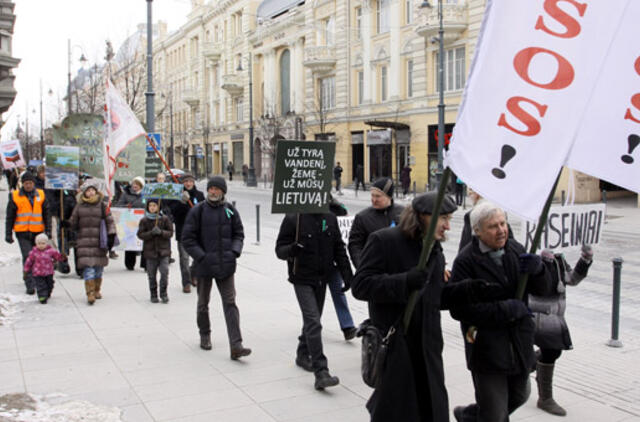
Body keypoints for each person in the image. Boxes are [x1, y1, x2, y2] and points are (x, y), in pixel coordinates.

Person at [352, 192, 497, 421]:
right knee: (399, 412)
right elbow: (360, 286)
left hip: (428, 348)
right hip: (397, 346)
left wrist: (467, 289)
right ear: (421, 217)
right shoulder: (384, 240)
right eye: (443, 218)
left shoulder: (434, 250)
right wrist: (404, 281)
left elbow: (433, 297)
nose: (448, 226)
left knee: (432, 409)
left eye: (449, 219)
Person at [449, 201, 552, 422]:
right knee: (495, 413)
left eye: (503, 223)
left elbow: (542, 289)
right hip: (487, 348)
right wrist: (506, 309)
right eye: (493, 226)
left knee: (520, 394)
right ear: (477, 231)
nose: (501, 230)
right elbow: (459, 309)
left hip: (519, 343)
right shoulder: (465, 261)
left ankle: (469, 416)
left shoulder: (516, 249)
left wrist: (539, 270)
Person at [275, 207, 353, 390]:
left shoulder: (330, 218)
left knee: (313, 320)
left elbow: (338, 247)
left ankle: (302, 353)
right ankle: (321, 371)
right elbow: (279, 250)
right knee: (313, 321)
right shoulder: (294, 218)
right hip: (302, 278)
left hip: (322, 277)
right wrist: (291, 250)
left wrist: (347, 273)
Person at [182, 176, 251, 359]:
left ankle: (236, 345)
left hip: (226, 266)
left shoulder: (230, 211)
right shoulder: (198, 211)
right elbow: (187, 239)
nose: (213, 192)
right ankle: (205, 334)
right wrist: (201, 256)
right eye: (210, 188)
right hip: (204, 266)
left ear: (223, 191)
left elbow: (239, 234)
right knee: (203, 303)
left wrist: (234, 252)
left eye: (216, 189)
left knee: (230, 304)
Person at [530, 245, 593, 416]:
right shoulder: (530, 254)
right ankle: (545, 397)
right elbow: (534, 284)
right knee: (550, 351)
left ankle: (531, 365)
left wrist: (585, 260)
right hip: (536, 313)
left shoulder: (558, 257)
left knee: (552, 351)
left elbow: (572, 279)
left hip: (554, 314)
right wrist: (541, 265)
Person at [69, 178, 117, 305]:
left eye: (92, 190)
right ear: (84, 193)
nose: (90, 193)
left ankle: (97, 289)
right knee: (88, 268)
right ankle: (89, 293)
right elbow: (73, 223)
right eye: (88, 191)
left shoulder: (102, 206)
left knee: (98, 268)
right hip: (84, 241)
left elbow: (110, 221)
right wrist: (68, 226)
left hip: (99, 241)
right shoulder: (79, 207)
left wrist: (111, 234)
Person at [5, 171, 51, 294]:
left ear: (34, 183)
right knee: (28, 257)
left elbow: (46, 214)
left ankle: (36, 280)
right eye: (26, 183)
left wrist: (48, 230)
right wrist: (8, 233)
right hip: (22, 232)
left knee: (38, 258)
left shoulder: (41, 195)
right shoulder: (15, 196)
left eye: (30, 183)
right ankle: (29, 284)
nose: (28, 185)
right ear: (22, 184)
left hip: (37, 232)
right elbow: (10, 216)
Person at [348, 177, 403, 269]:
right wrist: (362, 267)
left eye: (378, 196)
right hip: (374, 271)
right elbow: (355, 246)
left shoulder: (403, 213)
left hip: (400, 271)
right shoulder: (362, 217)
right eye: (372, 195)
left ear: (389, 196)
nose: (374, 199)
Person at [168, 173, 204, 293]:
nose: (188, 184)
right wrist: (182, 202)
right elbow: (174, 212)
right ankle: (186, 282)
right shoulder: (177, 195)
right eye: (186, 181)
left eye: (191, 181)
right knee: (184, 258)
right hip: (183, 231)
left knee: (198, 257)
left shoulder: (199, 195)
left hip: (197, 232)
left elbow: (204, 211)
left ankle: (194, 274)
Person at [327, 195, 357, 340]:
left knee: (338, 292)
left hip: (333, 259)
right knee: (313, 299)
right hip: (315, 263)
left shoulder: (337, 209)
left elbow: (345, 218)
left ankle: (347, 326)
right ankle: (310, 326)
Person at [137, 198, 174, 303]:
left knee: (164, 272)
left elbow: (170, 232)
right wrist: (150, 233)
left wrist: (161, 232)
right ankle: (153, 293)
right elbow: (140, 234)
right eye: (150, 206)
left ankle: (164, 293)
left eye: (154, 205)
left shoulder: (165, 219)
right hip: (150, 252)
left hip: (163, 251)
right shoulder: (144, 220)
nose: (152, 208)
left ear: (158, 207)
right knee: (152, 275)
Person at [23, 233, 67, 304]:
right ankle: (42, 296)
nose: (41, 245)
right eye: (39, 243)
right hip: (38, 273)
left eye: (43, 243)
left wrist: (62, 258)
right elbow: (29, 261)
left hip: (48, 272)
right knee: (41, 285)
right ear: (36, 244)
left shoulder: (51, 251)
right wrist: (26, 270)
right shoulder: (34, 252)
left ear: (46, 243)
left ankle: (48, 292)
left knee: (50, 284)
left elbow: (57, 256)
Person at [116, 176, 146, 271]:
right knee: (130, 241)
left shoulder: (146, 194)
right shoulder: (126, 194)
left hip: (143, 221)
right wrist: (126, 206)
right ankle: (129, 264)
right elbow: (118, 205)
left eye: (137, 184)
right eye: (134, 184)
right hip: (130, 221)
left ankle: (145, 264)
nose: (135, 186)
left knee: (144, 242)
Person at [49, 188, 77, 274]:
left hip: (72, 218)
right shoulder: (52, 190)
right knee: (61, 240)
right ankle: (63, 263)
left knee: (75, 242)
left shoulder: (71, 190)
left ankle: (80, 267)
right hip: (59, 217)